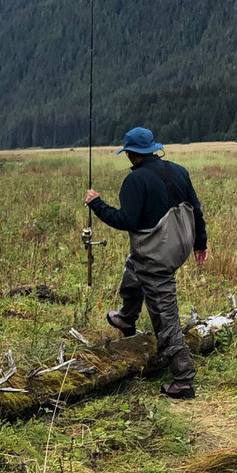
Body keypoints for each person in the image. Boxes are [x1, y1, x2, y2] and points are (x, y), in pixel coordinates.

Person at [84, 126, 208, 399]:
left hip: (156, 257)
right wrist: (201, 244)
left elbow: (125, 221)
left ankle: (183, 380)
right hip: (177, 247)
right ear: (153, 148)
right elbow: (196, 210)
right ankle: (127, 319)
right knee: (133, 269)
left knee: (165, 316)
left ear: (130, 153)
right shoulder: (179, 171)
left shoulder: (135, 181)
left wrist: (96, 204)